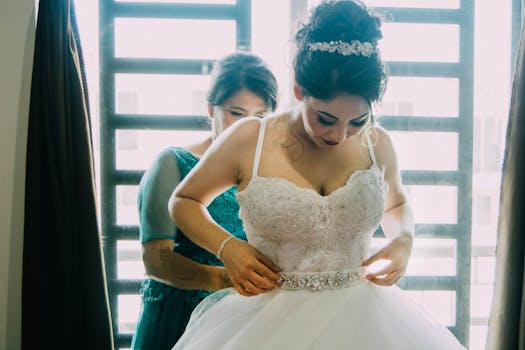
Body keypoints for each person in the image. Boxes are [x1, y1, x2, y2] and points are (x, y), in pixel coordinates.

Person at [169, 1, 467, 349]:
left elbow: (396, 202)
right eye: (325, 119)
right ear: (298, 90)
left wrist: (405, 239)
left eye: (357, 120)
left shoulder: (377, 143)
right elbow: (184, 201)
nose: (338, 136)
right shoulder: (251, 139)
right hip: (267, 324)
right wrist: (227, 247)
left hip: (368, 323)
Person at [131, 52, 278, 350]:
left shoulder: (274, 174)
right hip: (182, 317)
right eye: (236, 113)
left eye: (260, 116)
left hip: (250, 320)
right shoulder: (172, 164)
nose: (246, 126)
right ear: (211, 109)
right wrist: (224, 278)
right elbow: (155, 260)